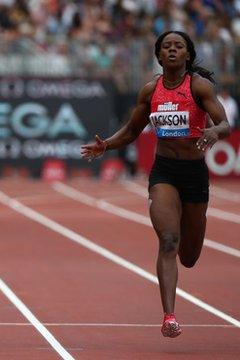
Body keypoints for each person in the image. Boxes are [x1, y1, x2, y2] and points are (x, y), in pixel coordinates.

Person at [81, 31, 231, 338]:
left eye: (179, 46)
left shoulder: (199, 86)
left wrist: (215, 131)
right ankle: (169, 316)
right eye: (167, 47)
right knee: (168, 241)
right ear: (159, 56)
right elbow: (133, 129)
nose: (173, 50)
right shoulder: (151, 90)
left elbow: (226, 122)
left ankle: (180, 272)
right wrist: (106, 145)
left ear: (188, 55)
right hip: (164, 172)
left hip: (194, 174)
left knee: (188, 257)